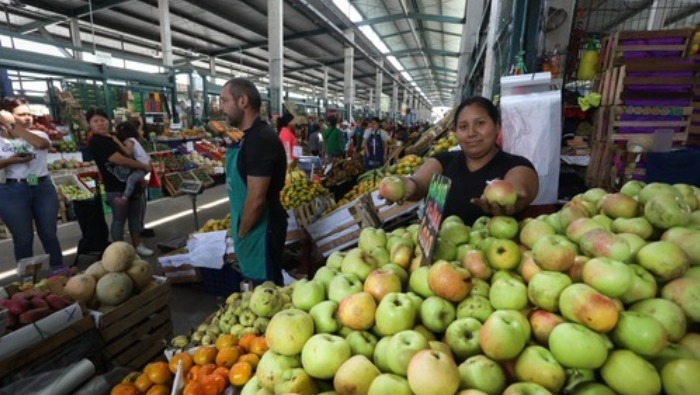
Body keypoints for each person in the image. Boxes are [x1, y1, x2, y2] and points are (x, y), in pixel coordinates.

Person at [387, 96, 539, 225]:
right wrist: (409, 186)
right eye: (463, 127)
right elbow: (419, 184)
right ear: (456, 132)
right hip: (441, 255)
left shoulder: (516, 165)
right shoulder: (443, 161)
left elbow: (519, 189)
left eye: (480, 123)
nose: (471, 133)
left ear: (497, 125)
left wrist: (510, 197)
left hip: (499, 256)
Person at [220, 78, 286, 285]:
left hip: (261, 232)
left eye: (224, 100)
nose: (221, 107)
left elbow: (257, 200)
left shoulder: (260, 140)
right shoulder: (249, 138)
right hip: (253, 230)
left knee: (266, 294)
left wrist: (242, 233)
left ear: (243, 101)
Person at [0, 98, 63, 267]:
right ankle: (27, 281)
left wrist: (13, 125)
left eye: (29, 114)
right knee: (23, 238)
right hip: (12, 190)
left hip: (42, 187)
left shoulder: (39, 134)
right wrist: (10, 161)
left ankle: (57, 270)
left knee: (49, 233)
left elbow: (41, 144)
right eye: (21, 114)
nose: (28, 117)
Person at [87, 108, 154, 256]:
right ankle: (119, 252)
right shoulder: (96, 142)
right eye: (95, 121)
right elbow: (120, 160)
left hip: (133, 185)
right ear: (89, 124)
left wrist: (142, 176)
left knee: (135, 218)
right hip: (115, 188)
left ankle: (138, 246)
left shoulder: (114, 137)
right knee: (119, 220)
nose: (100, 124)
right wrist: (143, 167)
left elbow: (130, 152)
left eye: (103, 120)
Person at [110, 120, 151, 209]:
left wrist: (117, 141)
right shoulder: (134, 140)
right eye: (140, 129)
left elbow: (128, 152)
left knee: (131, 180)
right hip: (144, 166)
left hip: (142, 167)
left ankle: (124, 198)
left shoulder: (130, 140)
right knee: (134, 180)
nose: (142, 132)